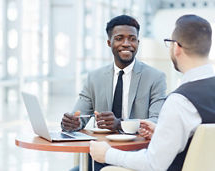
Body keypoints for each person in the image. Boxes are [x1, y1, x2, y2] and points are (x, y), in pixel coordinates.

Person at [90, 14, 215, 171]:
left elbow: (153, 164)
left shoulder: (180, 101)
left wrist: (107, 153)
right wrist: (162, 132)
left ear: (176, 47)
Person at [61, 15, 167, 171]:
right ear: (109, 43)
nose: (126, 44)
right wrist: (71, 123)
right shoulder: (94, 77)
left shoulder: (155, 78)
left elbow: (156, 121)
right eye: (119, 38)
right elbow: (79, 116)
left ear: (138, 43)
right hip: (100, 156)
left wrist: (121, 124)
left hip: (137, 157)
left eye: (132, 39)